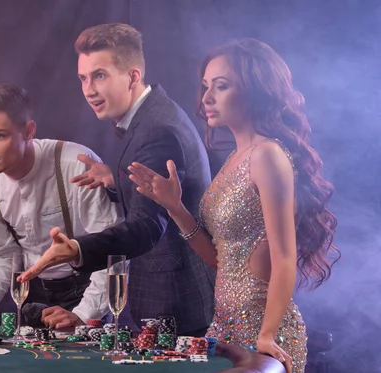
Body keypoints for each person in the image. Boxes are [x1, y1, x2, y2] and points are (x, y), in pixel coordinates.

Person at [126, 38, 340, 373]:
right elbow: (221, 261)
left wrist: (267, 335)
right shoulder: (232, 159)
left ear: (255, 91)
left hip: (264, 331)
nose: (207, 98)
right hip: (224, 330)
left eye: (221, 86)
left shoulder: (267, 155)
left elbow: (285, 258)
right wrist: (176, 208)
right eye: (206, 86)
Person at [20, 23, 215, 335]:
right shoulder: (153, 116)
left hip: (174, 298)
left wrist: (76, 249)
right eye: (83, 78)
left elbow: (148, 226)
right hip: (171, 292)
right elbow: (158, 199)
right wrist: (117, 181)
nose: (88, 90)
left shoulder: (156, 130)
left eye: (99, 75)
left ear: (132, 76)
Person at [0, 83, 120, 329]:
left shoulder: (75, 164)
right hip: (30, 294)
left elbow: (113, 252)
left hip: (88, 290)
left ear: (29, 131)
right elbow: (2, 253)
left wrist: (83, 315)